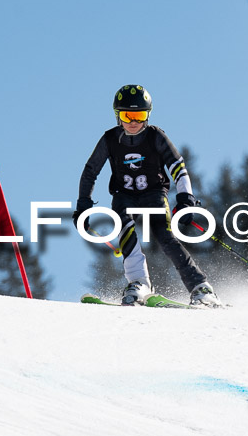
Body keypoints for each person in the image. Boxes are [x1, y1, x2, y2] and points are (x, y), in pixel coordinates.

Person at [73, 84, 222, 307]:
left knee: (165, 236)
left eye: (139, 115)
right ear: (118, 116)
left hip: (153, 194)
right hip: (124, 196)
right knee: (125, 231)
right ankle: (139, 283)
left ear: (148, 116)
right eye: (127, 115)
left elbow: (178, 167)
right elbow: (90, 171)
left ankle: (201, 288)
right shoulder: (110, 139)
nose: (133, 122)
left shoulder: (156, 136)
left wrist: (185, 198)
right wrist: (83, 204)